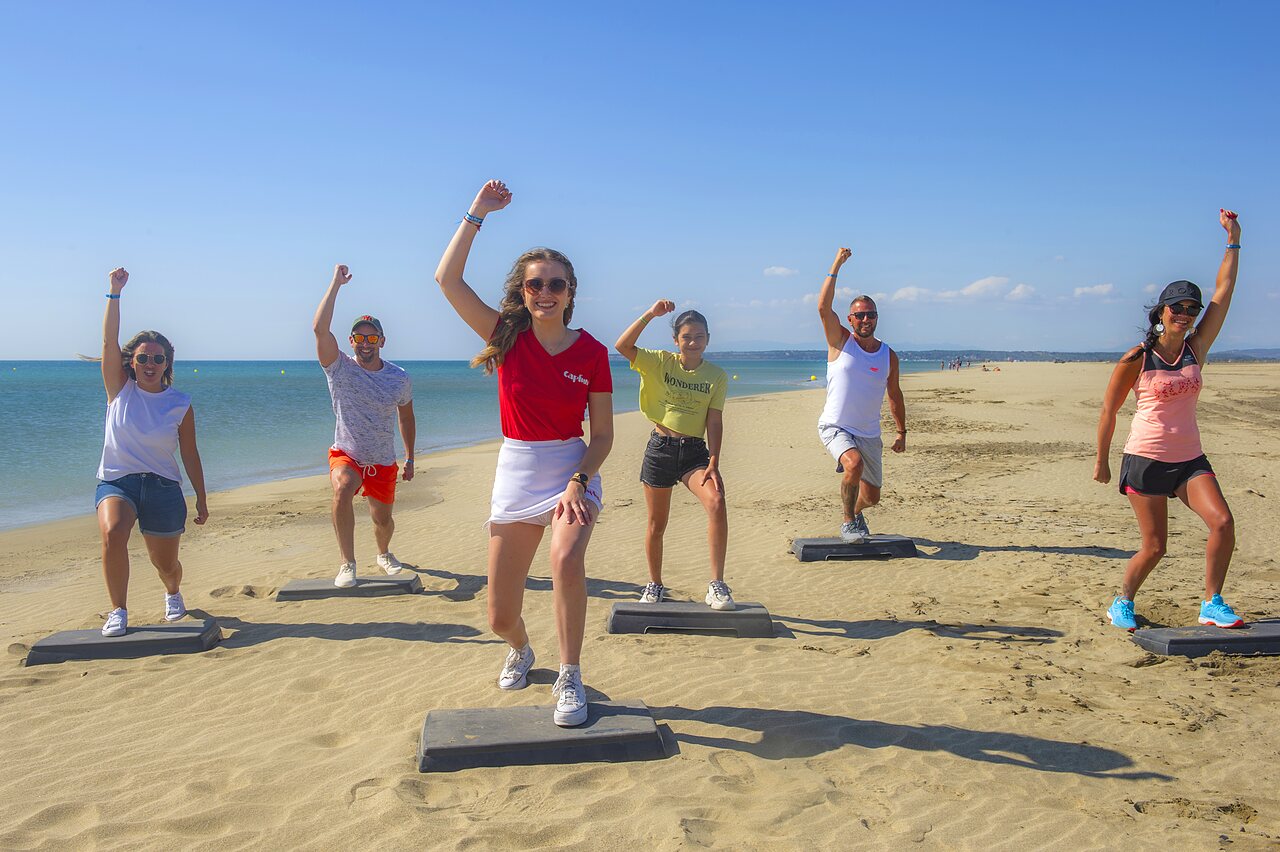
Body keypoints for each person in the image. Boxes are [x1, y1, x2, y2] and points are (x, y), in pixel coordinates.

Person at [435, 179, 613, 728]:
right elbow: (447, 280)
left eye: (556, 284)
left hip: (570, 469)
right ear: (524, 291)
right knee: (498, 615)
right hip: (516, 468)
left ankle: (570, 675)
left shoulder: (593, 352)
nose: (546, 292)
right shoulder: (506, 337)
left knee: (565, 560)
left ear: (570, 290)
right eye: (536, 284)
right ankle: (521, 648)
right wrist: (477, 213)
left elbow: (602, 435)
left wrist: (579, 482)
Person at [1095, 210, 1243, 632]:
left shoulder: (1197, 347)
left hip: (1189, 459)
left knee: (1223, 522)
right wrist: (1102, 462)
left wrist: (1234, 240)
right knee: (1155, 546)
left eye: (1192, 308)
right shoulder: (1137, 358)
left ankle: (1212, 602)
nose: (1186, 313)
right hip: (1145, 457)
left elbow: (1225, 291)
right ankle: (1122, 601)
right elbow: (1108, 411)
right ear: (1161, 311)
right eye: (1178, 307)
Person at [95, 267, 208, 637]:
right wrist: (114, 292)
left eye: (157, 359)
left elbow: (190, 454)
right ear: (133, 363)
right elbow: (110, 344)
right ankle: (118, 610)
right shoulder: (119, 390)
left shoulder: (180, 404)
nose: (149, 365)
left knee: (167, 564)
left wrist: (202, 498)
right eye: (143, 358)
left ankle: (172, 591)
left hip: (163, 487)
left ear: (167, 365)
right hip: (118, 482)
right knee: (113, 533)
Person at [615, 301, 732, 609]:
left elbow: (714, 419)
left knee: (717, 502)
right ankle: (654, 584)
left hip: (695, 454)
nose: (693, 342)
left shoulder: (716, 376)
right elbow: (622, 345)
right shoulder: (659, 362)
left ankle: (717, 585)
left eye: (699, 337)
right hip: (661, 450)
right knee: (656, 524)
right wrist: (650, 314)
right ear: (676, 340)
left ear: (708, 338)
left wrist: (715, 460)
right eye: (686, 337)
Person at [312, 264, 416, 588]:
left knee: (382, 520)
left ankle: (383, 554)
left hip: (383, 459)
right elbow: (319, 329)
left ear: (382, 340)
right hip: (347, 452)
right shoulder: (338, 368)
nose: (365, 342)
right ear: (351, 340)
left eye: (372, 337)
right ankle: (348, 563)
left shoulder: (398, 378)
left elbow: (407, 417)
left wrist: (410, 457)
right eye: (360, 337)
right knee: (342, 487)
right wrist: (335, 284)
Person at [816, 248, 907, 543]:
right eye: (860, 315)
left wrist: (901, 431)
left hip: (868, 432)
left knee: (873, 497)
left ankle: (855, 513)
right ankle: (848, 524)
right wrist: (836, 265)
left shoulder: (887, 355)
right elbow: (822, 308)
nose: (866, 319)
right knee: (853, 464)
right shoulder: (840, 341)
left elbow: (894, 394)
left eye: (871, 314)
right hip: (836, 425)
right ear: (850, 319)